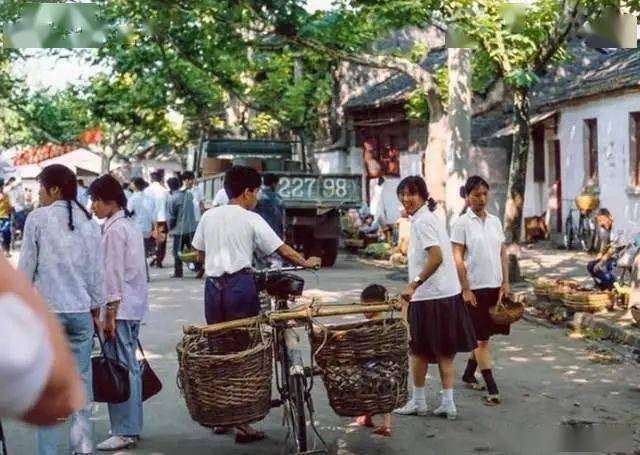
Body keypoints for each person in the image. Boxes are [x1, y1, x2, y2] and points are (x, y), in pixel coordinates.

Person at [192, 165, 321, 443]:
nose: (258, 197)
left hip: (213, 289)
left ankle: (222, 416)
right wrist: (307, 262)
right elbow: (283, 249)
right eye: (257, 191)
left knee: (220, 350)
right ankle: (242, 424)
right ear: (247, 192)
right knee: (244, 351)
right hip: (239, 286)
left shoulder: (208, 217)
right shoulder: (250, 218)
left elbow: (199, 255)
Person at [18, 164, 105, 455]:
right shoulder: (89, 222)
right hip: (81, 313)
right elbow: (97, 273)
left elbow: (27, 269)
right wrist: (97, 309)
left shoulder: (38, 219)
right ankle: (82, 450)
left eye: (41, 187)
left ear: (54, 188)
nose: (38, 193)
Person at [393, 176, 476, 420]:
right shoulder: (429, 218)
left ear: (422, 195)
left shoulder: (422, 222)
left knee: (418, 351)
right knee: (445, 352)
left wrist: (414, 284)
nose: (406, 199)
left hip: (429, 296)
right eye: (403, 195)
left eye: (412, 194)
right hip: (446, 294)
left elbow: (437, 256)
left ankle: (418, 401)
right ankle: (448, 404)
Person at [88, 175, 149, 451]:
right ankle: (131, 426)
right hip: (131, 306)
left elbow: (112, 275)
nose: (92, 207)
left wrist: (109, 314)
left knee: (120, 368)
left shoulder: (114, 231)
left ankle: (125, 429)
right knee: (129, 367)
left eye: (95, 201)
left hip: (120, 309)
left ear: (107, 201)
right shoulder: (128, 226)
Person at [0, 256, 85, 426]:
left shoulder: (35, 227)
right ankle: (83, 446)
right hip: (80, 307)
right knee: (78, 381)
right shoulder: (90, 228)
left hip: (52, 303)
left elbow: (26, 266)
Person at [451, 176, 510, 406]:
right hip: (474, 290)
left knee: (484, 337)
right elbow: (457, 257)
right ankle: (491, 386)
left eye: (485, 194)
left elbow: (502, 252)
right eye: (476, 194)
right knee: (481, 341)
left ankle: (468, 373)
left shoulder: (495, 221)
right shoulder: (462, 224)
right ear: (467, 196)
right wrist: (465, 288)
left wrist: (506, 282)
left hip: (494, 287)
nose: (481, 199)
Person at [352, 284, 393, 437]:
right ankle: (377, 422)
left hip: (371, 366)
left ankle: (376, 421)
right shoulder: (389, 322)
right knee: (383, 392)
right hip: (389, 367)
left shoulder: (370, 325)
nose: (364, 310)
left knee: (369, 392)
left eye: (366, 306)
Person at [167, 177, 198, 278]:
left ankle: (178, 272)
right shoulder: (189, 195)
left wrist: (170, 228)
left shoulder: (173, 198)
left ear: (169, 187)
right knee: (193, 250)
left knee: (177, 252)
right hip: (191, 228)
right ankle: (199, 268)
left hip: (179, 230)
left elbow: (172, 216)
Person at [128, 178, 156, 280]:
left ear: (135, 185)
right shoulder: (149, 198)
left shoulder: (133, 199)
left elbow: (128, 213)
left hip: (136, 228)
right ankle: (145, 274)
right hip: (147, 228)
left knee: (138, 253)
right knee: (143, 252)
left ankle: (143, 275)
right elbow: (154, 215)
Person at [587, 208, 619, 290]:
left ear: (609, 217)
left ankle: (612, 285)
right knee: (591, 265)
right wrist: (599, 256)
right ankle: (601, 285)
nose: (601, 223)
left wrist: (602, 261)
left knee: (605, 267)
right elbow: (604, 246)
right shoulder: (603, 229)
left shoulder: (616, 228)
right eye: (599, 221)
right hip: (609, 254)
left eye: (602, 220)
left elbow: (613, 248)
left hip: (619, 254)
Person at [144, 172, 169, 268]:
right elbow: (168, 206)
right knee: (161, 240)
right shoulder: (165, 191)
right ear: (160, 179)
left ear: (151, 179)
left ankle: (152, 255)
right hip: (162, 219)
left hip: (151, 220)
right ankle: (159, 260)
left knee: (151, 239)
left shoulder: (147, 191)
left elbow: (146, 207)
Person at [0, 179, 12, 257]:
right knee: (5, 235)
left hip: (5, 218)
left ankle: (6, 251)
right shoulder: (4, 196)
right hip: (2, 218)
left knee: (7, 235)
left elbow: (9, 206)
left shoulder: (6, 195)